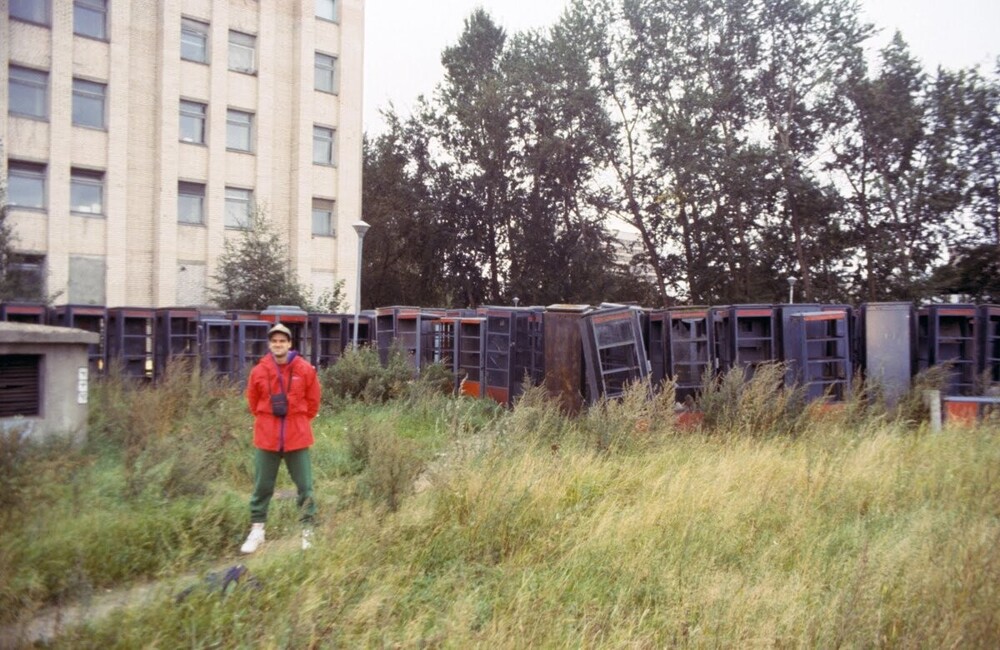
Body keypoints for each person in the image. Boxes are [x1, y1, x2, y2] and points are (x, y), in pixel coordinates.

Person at [241, 322, 322, 553]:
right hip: (267, 438)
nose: (278, 344)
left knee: (305, 487)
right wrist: (270, 422)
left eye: (282, 341)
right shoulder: (259, 371)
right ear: (270, 344)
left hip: (297, 437)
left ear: (289, 343)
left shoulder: (304, 369)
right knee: (262, 486)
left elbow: (314, 402)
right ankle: (257, 530)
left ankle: (308, 530)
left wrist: (297, 421)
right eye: (274, 341)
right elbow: (253, 403)